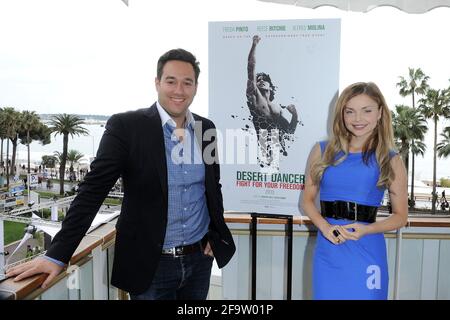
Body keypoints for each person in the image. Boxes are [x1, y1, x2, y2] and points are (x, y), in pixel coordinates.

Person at [6, 48, 236, 300]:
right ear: (157, 82)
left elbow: (213, 187)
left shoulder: (206, 129)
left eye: (187, 82)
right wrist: (56, 254)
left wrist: (216, 234)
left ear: (195, 87)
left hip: (199, 261)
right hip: (150, 267)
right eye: (171, 81)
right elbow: (92, 191)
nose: (179, 90)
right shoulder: (127, 127)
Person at [302, 82, 408, 300]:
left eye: (366, 111)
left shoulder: (390, 159)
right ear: (342, 114)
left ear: (380, 112)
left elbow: (400, 216)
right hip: (328, 250)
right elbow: (308, 201)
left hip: (367, 249)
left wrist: (366, 230)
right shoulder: (322, 151)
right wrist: (325, 227)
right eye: (350, 111)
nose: (358, 119)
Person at [247, 35, 299, 169]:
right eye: (258, 79)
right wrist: (254, 45)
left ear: (270, 86)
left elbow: (290, 130)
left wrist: (294, 114)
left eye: (264, 79)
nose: (261, 80)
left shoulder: (277, 108)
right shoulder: (254, 96)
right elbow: (251, 68)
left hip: (279, 145)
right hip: (263, 145)